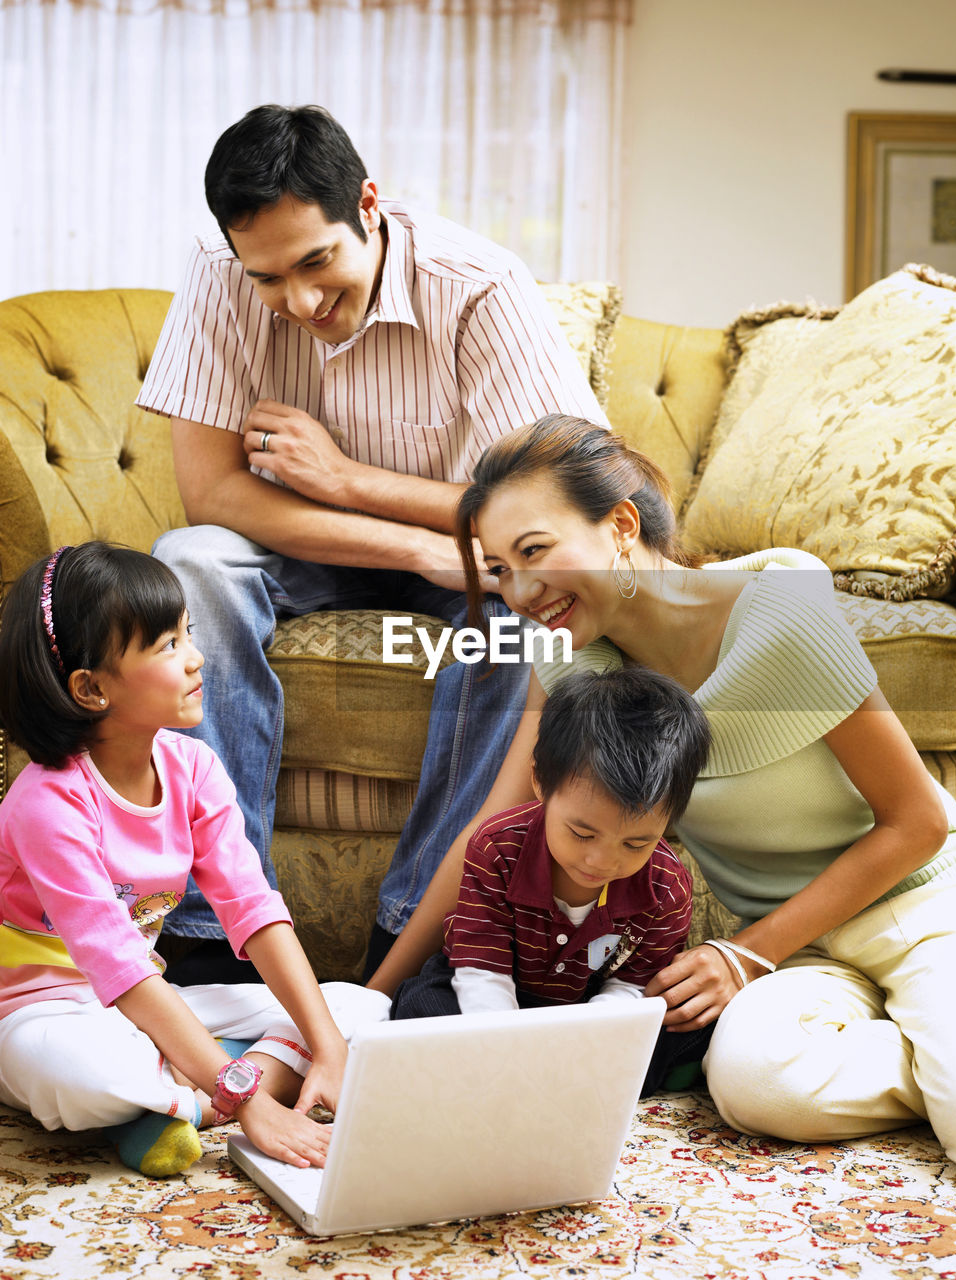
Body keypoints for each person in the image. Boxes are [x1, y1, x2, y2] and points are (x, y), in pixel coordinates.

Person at [368, 414, 956, 1167]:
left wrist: (745, 955)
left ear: (620, 525)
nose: (519, 591)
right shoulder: (570, 664)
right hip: (802, 948)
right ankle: (932, 1051)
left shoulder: (781, 621)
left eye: (535, 551)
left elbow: (916, 824)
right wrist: (371, 1003)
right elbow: (497, 824)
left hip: (921, 904)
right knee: (753, 1088)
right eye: (499, 570)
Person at [136, 104, 605, 976]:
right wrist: (412, 547)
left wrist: (353, 481)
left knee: (523, 614)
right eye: (269, 279)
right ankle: (215, 937)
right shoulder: (216, 272)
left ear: (369, 204)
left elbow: (556, 501)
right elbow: (210, 495)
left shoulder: (480, 286)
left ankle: (416, 936)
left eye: (317, 263)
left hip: (469, 548)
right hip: (321, 544)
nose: (302, 302)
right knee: (188, 562)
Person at [0, 543, 387, 1179]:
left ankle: (178, 1097)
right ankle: (219, 1085)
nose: (196, 658)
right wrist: (251, 1101)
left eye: (188, 633)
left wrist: (328, 1044)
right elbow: (119, 968)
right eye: (166, 645)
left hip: (148, 1007)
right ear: (91, 689)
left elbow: (254, 912)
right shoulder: (47, 804)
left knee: (357, 1010)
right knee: (85, 1073)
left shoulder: (194, 768)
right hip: (48, 1013)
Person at [392, 666, 716, 1090]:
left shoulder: (666, 885)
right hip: (490, 991)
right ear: (540, 783)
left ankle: (558, 1079)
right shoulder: (496, 847)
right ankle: (516, 1078)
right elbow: (481, 968)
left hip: (588, 1009)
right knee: (418, 1006)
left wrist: (581, 1042)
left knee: (684, 1029)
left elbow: (632, 986)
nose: (601, 861)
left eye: (636, 844)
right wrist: (507, 1049)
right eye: (582, 833)